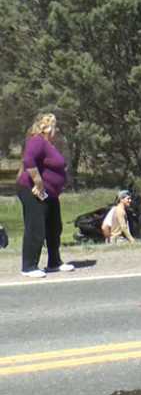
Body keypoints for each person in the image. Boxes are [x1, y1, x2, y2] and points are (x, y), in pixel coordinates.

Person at [17, 113, 74, 278]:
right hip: (32, 190)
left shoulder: (50, 145)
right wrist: (38, 182)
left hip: (51, 193)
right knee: (36, 228)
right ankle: (28, 266)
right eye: (55, 126)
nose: (57, 130)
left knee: (55, 227)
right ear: (47, 127)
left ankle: (54, 262)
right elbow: (28, 160)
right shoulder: (37, 141)